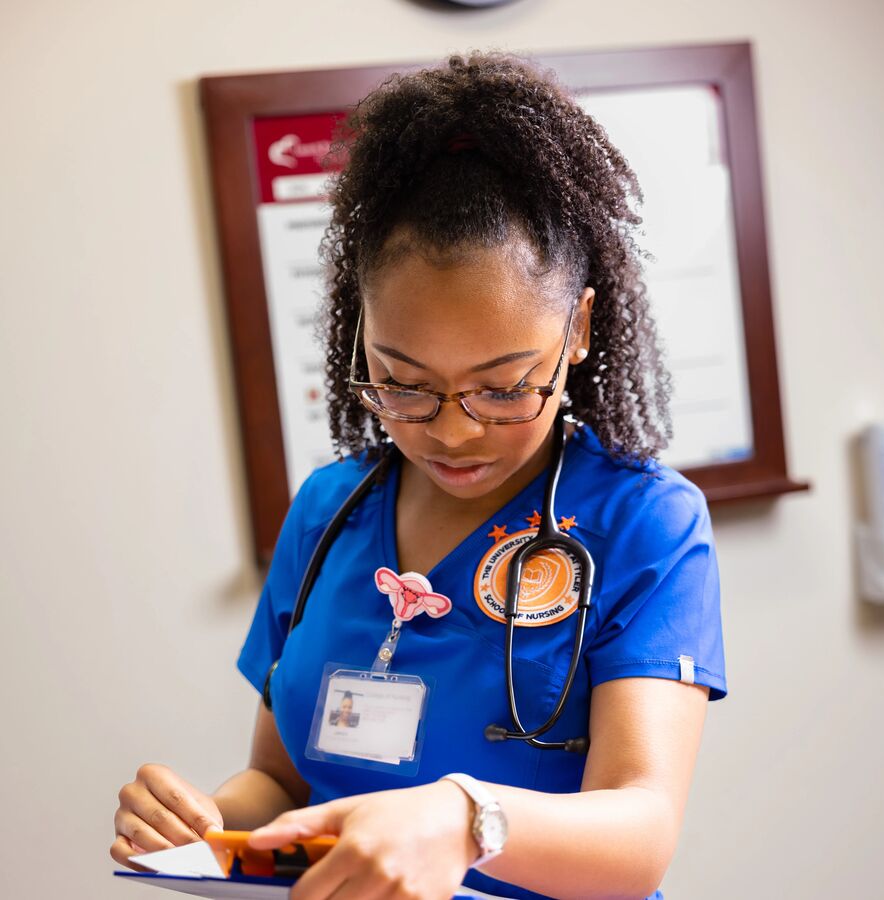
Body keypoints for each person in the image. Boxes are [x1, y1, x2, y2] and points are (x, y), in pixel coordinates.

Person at [111, 52, 727, 900]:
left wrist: (463, 816)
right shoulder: (329, 511)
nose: (452, 429)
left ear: (578, 329)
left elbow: (640, 833)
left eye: (505, 385)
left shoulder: (643, 522)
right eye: (402, 381)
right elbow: (283, 786)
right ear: (358, 330)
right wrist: (202, 831)